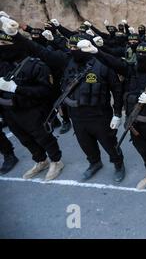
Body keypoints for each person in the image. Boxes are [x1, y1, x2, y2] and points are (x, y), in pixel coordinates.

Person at [10, 23, 125, 183]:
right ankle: (94, 163)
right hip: (76, 116)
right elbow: (39, 50)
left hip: (100, 115)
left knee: (110, 144)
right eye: (70, 47)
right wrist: (16, 35)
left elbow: (117, 91)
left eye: (75, 47)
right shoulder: (67, 61)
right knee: (86, 144)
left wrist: (118, 114)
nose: (72, 50)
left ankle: (118, 164)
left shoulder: (103, 64)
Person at [94, 39, 146, 192]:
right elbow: (113, 62)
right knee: (142, 148)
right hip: (134, 122)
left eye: (145, 54)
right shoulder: (131, 71)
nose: (141, 57)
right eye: (139, 54)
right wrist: (97, 51)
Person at [0, 16, 64, 180]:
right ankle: (40, 160)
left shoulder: (35, 65)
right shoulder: (4, 64)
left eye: (4, 44)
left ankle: (56, 161)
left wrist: (17, 89)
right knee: (25, 138)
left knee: (43, 137)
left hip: (32, 109)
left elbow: (45, 91)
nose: (1, 47)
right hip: (10, 110)